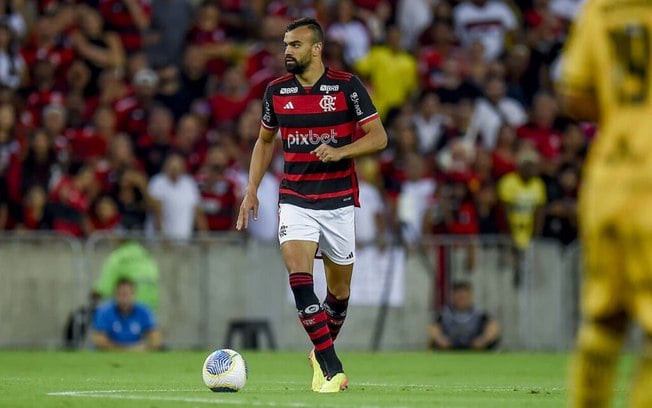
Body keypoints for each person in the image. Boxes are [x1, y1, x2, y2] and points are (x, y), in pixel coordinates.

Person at [236, 17, 387, 393]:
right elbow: (265, 141)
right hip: (296, 198)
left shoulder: (347, 87)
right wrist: (252, 188)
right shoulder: (275, 91)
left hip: (337, 201)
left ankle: (318, 352)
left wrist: (342, 151)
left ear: (317, 48)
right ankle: (331, 364)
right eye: (286, 45)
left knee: (339, 295)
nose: (288, 51)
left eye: (296, 45)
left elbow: (379, 137)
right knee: (298, 273)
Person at [556, 1, 652, 406]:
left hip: (609, 178)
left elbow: (574, 95)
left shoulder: (600, 8)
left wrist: (621, 112)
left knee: (604, 319)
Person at [92, 277, 162, 351]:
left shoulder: (144, 311)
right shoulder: (104, 311)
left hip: (137, 355)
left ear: (134, 294)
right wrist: (129, 349)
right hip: (113, 354)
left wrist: (144, 347)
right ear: (115, 295)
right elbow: (100, 341)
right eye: (120, 294)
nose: (124, 298)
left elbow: (156, 340)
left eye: (126, 294)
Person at [428, 281, 501, 350]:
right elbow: (434, 328)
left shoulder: (479, 313)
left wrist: (484, 339)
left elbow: (493, 326)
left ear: (470, 297)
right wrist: (440, 339)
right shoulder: (445, 314)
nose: (462, 299)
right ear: (453, 297)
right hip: (449, 348)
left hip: (475, 349)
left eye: (464, 297)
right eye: (459, 297)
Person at [93, 240, 160, 314]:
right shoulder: (145, 255)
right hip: (152, 303)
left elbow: (104, 288)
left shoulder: (118, 256)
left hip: (131, 305)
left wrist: (94, 295)